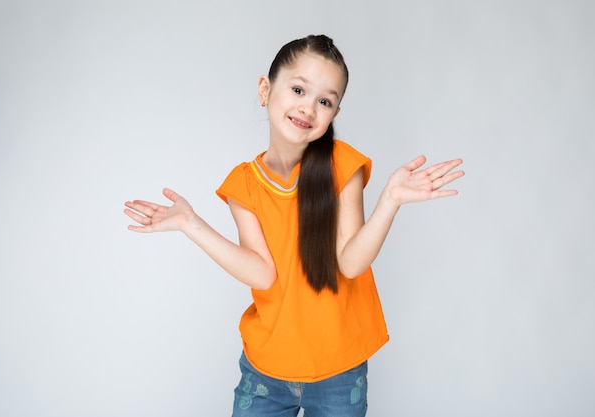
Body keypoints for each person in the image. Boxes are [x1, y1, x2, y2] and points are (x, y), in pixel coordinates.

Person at [124, 34, 464, 417]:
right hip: (266, 370)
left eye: (324, 101)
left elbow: (350, 263)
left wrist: (390, 201)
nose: (308, 108)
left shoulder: (341, 164)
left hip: (339, 369)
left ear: (334, 113)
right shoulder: (244, 183)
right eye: (299, 89)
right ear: (265, 89)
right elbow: (262, 273)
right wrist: (190, 223)